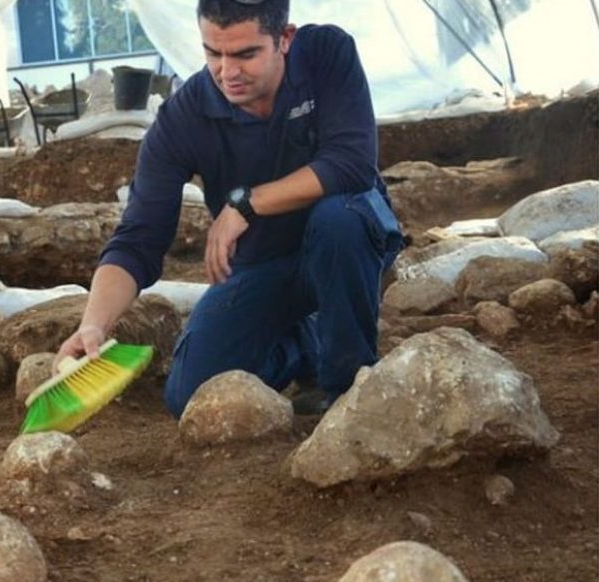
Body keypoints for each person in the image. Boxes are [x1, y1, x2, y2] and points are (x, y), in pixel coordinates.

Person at [55, 0, 403, 417]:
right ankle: (303, 345)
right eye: (212, 53)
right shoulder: (182, 120)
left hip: (347, 245)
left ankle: (349, 388)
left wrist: (245, 204)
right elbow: (138, 237)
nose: (227, 72)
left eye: (245, 54)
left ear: (284, 39)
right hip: (264, 262)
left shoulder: (326, 53)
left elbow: (352, 164)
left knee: (339, 220)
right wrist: (94, 324)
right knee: (191, 393)